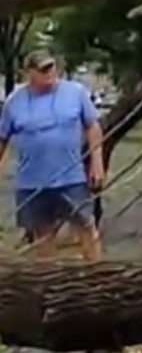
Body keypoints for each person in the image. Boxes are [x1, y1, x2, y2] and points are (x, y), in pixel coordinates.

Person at [0, 51, 106, 261]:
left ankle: (98, 275)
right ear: (28, 72)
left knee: (86, 226)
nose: (48, 72)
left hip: (71, 178)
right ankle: (48, 285)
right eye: (41, 69)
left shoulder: (76, 92)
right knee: (43, 233)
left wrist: (97, 162)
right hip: (33, 181)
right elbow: (2, 139)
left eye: (50, 67)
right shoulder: (14, 102)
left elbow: (93, 127)